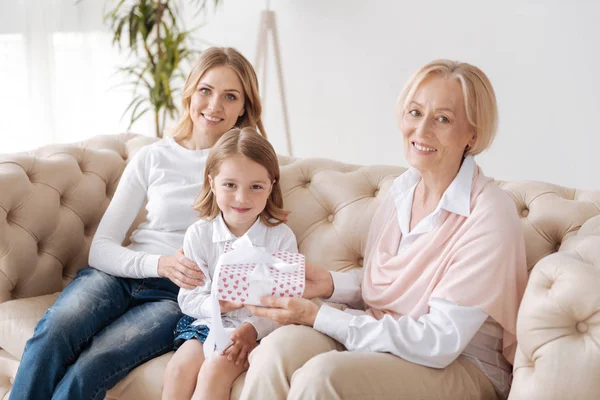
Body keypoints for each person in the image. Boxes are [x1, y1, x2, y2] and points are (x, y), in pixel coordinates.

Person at [244, 60, 528, 400]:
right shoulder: (401, 192)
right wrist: (333, 284)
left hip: (460, 365)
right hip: (386, 335)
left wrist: (320, 315)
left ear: (473, 134)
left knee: (324, 378)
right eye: (415, 112)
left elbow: (440, 340)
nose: (421, 131)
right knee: (276, 350)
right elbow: (397, 284)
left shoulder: (488, 212)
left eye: (443, 119)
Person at [10, 47, 267, 400]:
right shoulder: (153, 156)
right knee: (54, 332)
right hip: (118, 276)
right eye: (206, 90)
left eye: (230, 96)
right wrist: (159, 263)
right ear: (190, 93)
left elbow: (262, 245)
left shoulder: (248, 169)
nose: (214, 105)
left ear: (244, 108)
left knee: (96, 362)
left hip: (176, 295)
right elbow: (102, 248)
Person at [161, 127, 297, 400]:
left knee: (213, 372)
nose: (242, 198)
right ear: (212, 184)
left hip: (253, 330)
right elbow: (188, 298)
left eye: (256, 187)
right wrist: (217, 304)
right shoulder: (199, 234)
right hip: (206, 324)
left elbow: (288, 306)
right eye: (230, 185)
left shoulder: (281, 237)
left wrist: (252, 330)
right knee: (178, 369)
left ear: (271, 185)